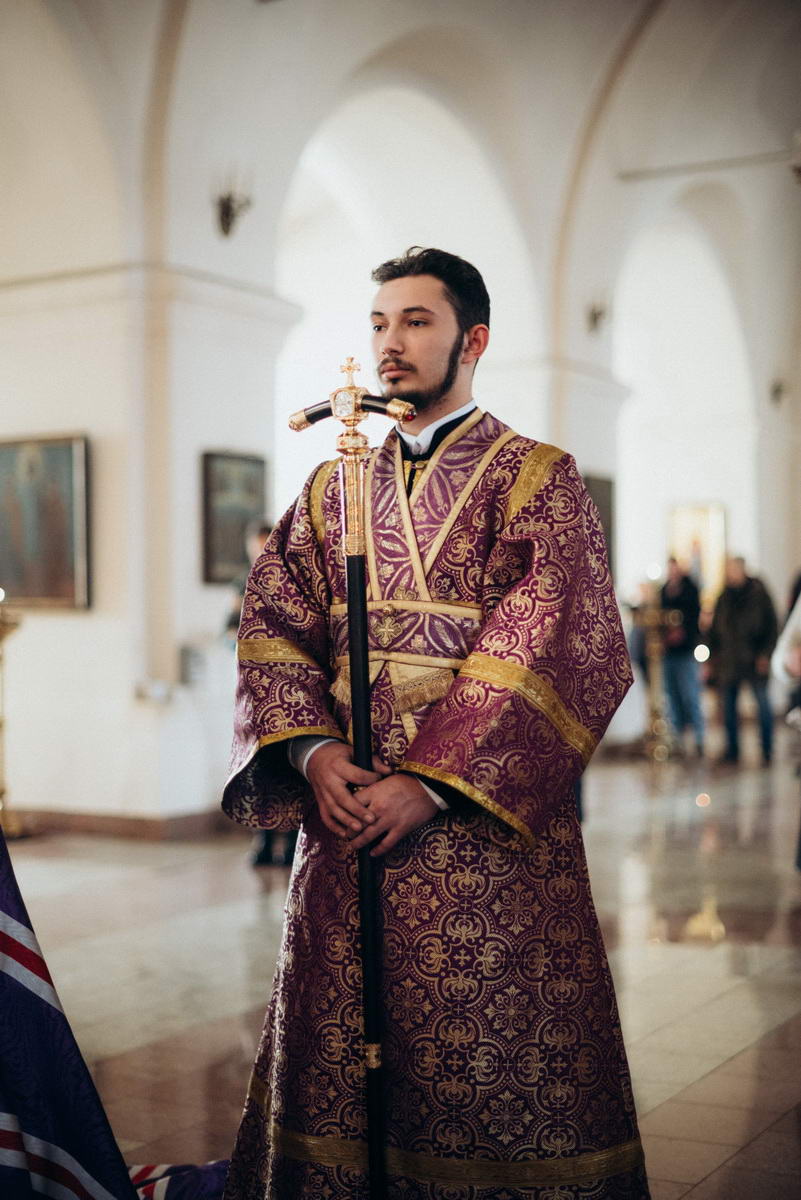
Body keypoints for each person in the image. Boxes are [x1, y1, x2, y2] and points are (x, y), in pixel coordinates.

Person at [222, 248, 648, 1198]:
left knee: (491, 1059)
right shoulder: (330, 489)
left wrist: (428, 781)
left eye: (416, 321)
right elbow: (272, 625)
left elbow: (551, 638)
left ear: (473, 339)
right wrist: (314, 753)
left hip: (483, 839)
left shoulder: (535, 478)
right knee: (341, 1062)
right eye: (380, 323)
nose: (391, 343)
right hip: (345, 824)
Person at [225, 519, 298, 868]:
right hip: (254, 687)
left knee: (293, 762)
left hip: (290, 684)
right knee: (261, 763)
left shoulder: (291, 575)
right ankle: (265, 840)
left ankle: (294, 841)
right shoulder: (242, 581)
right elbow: (229, 629)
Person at [708, 555, 778, 766]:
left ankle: (767, 750)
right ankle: (732, 750)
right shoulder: (724, 596)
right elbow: (714, 629)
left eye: (734, 569)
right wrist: (711, 657)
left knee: (762, 705)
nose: (731, 574)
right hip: (730, 660)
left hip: (754, 658)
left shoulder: (758, 593)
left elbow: (772, 626)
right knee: (729, 707)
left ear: (742, 570)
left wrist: (765, 654)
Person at [660, 557, 704, 756]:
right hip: (669, 652)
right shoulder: (664, 590)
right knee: (672, 696)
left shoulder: (690, 589)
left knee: (690, 694)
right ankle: (677, 739)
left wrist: (683, 632)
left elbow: (694, 616)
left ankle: (699, 738)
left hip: (686, 651)